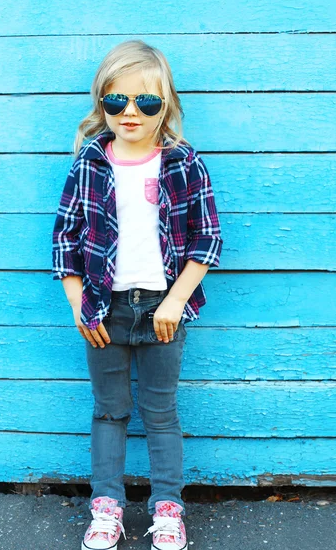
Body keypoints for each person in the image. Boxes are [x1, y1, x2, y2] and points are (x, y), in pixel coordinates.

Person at [52, 39, 223, 550]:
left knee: (161, 410)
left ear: (165, 104)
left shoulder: (182, 162)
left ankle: (168, 509)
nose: (130, 112)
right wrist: (81, 307)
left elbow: (207, 239)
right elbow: (64, 240)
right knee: (109, 410)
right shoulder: (90, 163)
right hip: (104, 309)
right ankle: (106, 507)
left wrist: (175, 300)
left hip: (161, 310)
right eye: (116, 101)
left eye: (145, 102)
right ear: (101, 101)